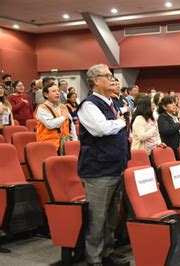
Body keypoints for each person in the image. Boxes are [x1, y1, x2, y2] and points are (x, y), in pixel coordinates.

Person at [77, 64, 130, 266]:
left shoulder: (112, 103)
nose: (112, 79)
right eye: (107, 76)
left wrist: (117, 122)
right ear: (96, 80)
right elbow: (101, 129)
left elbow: (114, 127)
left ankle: (107, 252)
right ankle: (94, 259)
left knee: (111, 217)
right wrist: (120, 122)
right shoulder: (89, 104)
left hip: (116, 166)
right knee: (97, 219)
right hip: (98, 170)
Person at [35, 84, 77, 153]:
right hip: (48, 146)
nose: (57, 93)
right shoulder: (42, 108)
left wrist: (74, 140)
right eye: (54, 91)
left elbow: (71, 124)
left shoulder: (63, 107)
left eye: (58, 91)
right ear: (46, 94)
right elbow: (50, 124)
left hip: (65, 144)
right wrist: (63, 117)